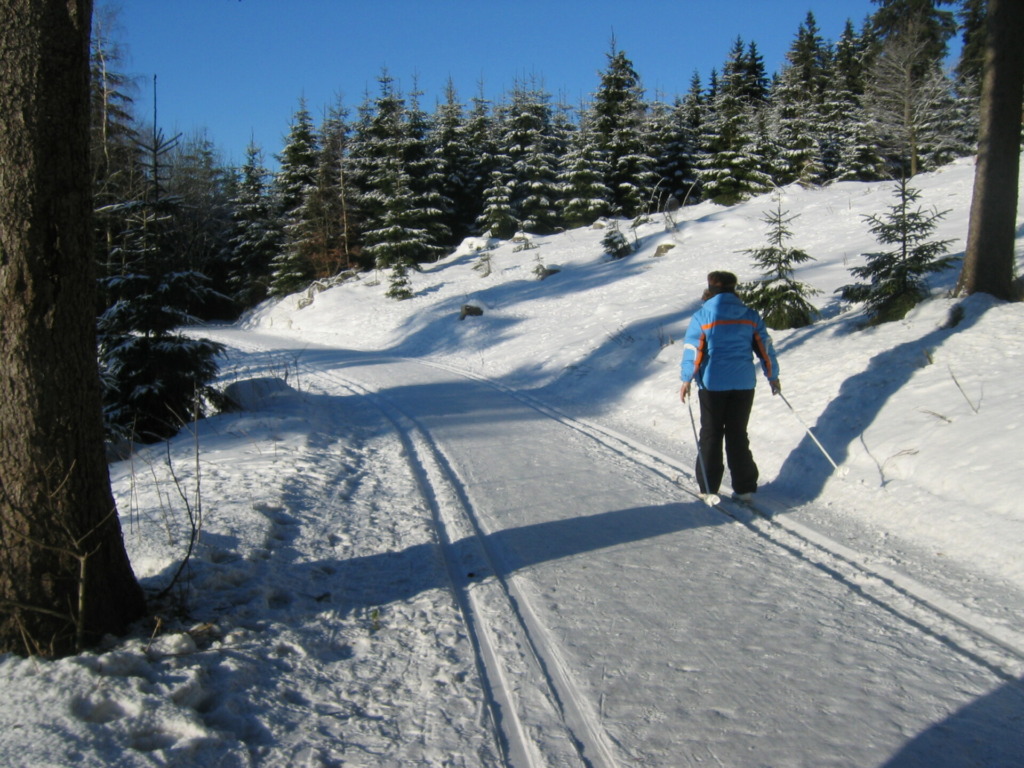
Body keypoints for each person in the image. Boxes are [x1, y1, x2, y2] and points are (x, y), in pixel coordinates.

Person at [680, 271, 781, 501]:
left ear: (709, 288)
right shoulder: (750, 315)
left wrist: (686, 378)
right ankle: (744, 489)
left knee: (711, 434)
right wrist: (772, 375)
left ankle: (708, 487)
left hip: (712, 384)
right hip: (744, 384)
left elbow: (693, 350)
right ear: (734, 289)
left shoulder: (702, 316)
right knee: (737, 434)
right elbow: (765, 347)